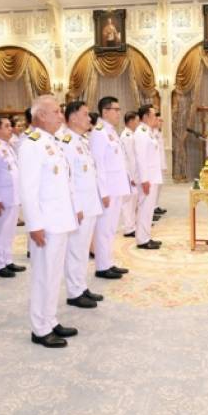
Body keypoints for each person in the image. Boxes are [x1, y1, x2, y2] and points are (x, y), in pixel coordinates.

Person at [19, 95, 79, 348]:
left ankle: (50, 319)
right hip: (46, 223)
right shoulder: (31, 145)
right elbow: (28, 190)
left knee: (54, 275)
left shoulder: (51, 142)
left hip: (60, 220)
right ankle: (40, 329)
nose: (61, 116)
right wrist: (34, 225)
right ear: (41, 115)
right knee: (43, 276)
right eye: (56, 111)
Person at [60, 101, 104, 309]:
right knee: (76, 249)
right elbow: (68, 179)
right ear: (73, 117)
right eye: (85, 114)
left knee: (83, 248)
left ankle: (81, 286)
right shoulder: (67, 142)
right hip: (80, 207)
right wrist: (75, 207)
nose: (89, 118)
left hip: (89, 203)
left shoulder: (82, 140)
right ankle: (74, 292)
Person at [89, 96, 131, 280]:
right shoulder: (99, 133)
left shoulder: (111, 131)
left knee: (111, 229)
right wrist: (103, 192)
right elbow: (98, 164)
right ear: (105, 112)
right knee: (104, 229)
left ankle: (108, 262)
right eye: (116, 109)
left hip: (116, 188)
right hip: (108, 190)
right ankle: (101, 267)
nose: (119, 113)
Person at [0, 116, 25, 278]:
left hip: (12, 195)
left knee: (9, 231)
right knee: (0, 231)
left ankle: (7, 260)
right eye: (7, 126)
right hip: (2, 197)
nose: (11, 129)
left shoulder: (7, 146)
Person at [134, 104, 163, 250]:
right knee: (145, 209)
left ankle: (146, 236)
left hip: (152, 177)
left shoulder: (148, 132)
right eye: (153, 115)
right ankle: (142, 240)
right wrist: (144, 179)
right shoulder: (141, 132)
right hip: (148, 179)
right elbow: (140, 158)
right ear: (145, 117)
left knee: (148, 209)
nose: (155, 118)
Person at [120, 111, 139, 238]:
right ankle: (128, 228)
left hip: (131, 173)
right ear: (131, 121)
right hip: (128, 173)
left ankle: (132, 225)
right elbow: (130, 158)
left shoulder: (130, 134)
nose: (138, 123)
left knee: (133, 201)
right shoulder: (127, 136)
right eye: (136, 121)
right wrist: (133, 176)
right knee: (128, 202)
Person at [153, 112, 168, 216]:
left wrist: (164, 164)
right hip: (155, 165)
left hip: (160, 164)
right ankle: (153, 206)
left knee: (159, 186)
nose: (161, 122)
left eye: (162, 121)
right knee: (155, 187)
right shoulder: (152, 133)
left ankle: (155, 205)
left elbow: (161, 151)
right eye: (159, 120)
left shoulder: (158, 133)